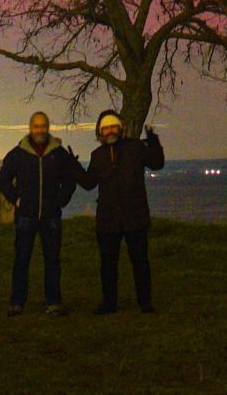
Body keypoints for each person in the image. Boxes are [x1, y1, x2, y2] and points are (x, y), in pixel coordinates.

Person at [0, 110, 89, 315]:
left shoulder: (59, 153)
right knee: (21, 260)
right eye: (36, 126)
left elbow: (70, 180)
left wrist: (61, 200)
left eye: (43, 126)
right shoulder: (18, 154)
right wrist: (16, 198)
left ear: (48, 128)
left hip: (51, 216)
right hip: (25, 215)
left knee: (52, 260)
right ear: (30, 128)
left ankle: (53, 302)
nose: (40, 130)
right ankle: (17, 302)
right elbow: (2, 179)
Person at [85, 110, 164, 314]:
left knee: (140, 262)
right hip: (108, 219)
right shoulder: (97, 155)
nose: (110, 131)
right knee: (108, 265)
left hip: (134, 216)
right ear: (100, 132)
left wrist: (154, 143)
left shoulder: (136, 148)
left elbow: (157, 163)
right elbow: (88, 183)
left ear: (121, 128)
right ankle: (109, 303)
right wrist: (72, 166)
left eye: (113, 127)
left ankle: (145, 303)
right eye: (106, 128)